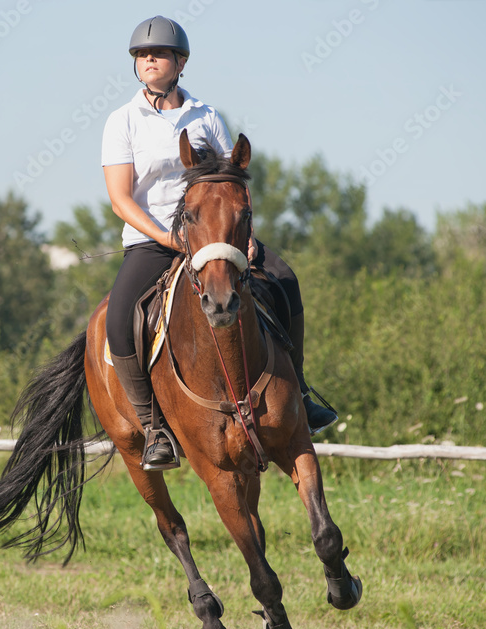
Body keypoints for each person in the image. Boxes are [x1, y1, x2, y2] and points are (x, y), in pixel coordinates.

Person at [102, 15, 337, 471]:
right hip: (156, 240)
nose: (149, 60)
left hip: (217, 235)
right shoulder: (122, 121)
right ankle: (154, 429)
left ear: (180, 62)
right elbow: (120, 199)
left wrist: (244, 240)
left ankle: (301, 394)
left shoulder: (207, 116)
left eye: (159, 53)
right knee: (117, 319)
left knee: (285, 278)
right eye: (142, 55)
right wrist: (168, 237)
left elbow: (235, 180)